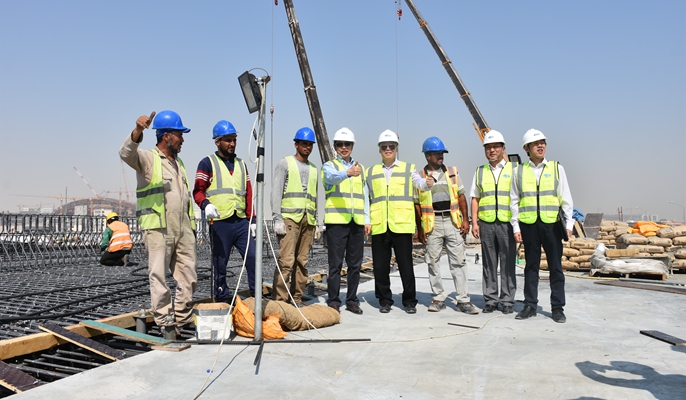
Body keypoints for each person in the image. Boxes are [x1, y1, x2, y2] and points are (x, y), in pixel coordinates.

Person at [119, 110, 197, 328]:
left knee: (188, 274)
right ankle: (164, 319)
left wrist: (191, 227)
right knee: (159, 276)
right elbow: (126, 154)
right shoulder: (148, 159)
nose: (182, 140)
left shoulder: (179, 163)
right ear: (166, 136)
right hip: (158, 227)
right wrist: (137, 131)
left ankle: (183, 316)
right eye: (179, 135)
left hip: (183, 227)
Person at [510, 129, 573, 323]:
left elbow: (566, 198)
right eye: (536, 143)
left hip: (551, 225)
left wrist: (569, 223)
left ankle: (557, 308)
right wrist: (516, 227)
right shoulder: (518, 171)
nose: (540, 146)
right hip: (529, 225)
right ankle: (530, 305)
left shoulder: (556, 168)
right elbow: (514, 201)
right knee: (531, 267)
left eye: (543, 142)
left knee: (556, 267)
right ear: (526, 148)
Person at [367, 130, 433, 314]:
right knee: (380, 267)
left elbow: (419, 183)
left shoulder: (408, 168)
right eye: (384, 146)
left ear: (396, 148)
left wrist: (427, 183)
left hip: (402, 225)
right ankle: (384, 300)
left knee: (406, 266)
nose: (388, 149)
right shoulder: (370, 171)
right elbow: (366, 197)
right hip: (380, 224)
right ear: (379, 149)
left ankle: (409, 301)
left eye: (391, 146)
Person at [193, 120, 256, 302]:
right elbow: (198, 191)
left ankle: (256, 295)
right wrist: (205, 204)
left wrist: (252, 219)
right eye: (228, 140)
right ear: (217, 141)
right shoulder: (207, 163)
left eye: (234, 139)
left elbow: (248, 194)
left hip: (241, 221)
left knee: (253, 257)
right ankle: (222, 298)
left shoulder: (241, 164)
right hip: (220, 223)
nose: (232, 144)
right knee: (220, 264)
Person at [415, 137, 476, 314]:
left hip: (452, 221)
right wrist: (420, 229)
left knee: (458, 261)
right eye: (437, 154)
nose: (441, 156)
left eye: (442, 153)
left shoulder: (452, 172)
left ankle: (463, 300)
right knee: (432, 261)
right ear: (428, 156)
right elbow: (417, 204)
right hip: (432, 224)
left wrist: (466, 220)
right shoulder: (419, 177)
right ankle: (438, 298)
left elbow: (461, 197)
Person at [321, 127, 370, 315]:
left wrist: (367, 219)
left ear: (352, 146)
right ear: (335, 146)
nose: (343, 147)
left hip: (356, 223)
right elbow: (331, 179)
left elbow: (364, 195)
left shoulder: (360, 169)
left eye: (347, 144)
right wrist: (347, 173)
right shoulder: (330, 166)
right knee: (335, 265)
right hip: (337, 223)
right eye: (340, 144)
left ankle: (352, 300)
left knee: (355, 265)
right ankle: (334, 300)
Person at [469, 130, 516, 314]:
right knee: (489, 263)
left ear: (503, 149)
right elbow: (475, 198)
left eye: (496, 147)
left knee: (507, 262)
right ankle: (490, 300)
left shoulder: (514, 169)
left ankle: (507, 300)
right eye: (488, 147)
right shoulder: (480, 171)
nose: (492, 150)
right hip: (486, 223)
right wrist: (474, 223)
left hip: (507, 223)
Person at [271, 127, 318, 308]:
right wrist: (277, 218)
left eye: (310, 144)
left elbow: (315, 197)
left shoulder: (313, 169)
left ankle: (296, 298)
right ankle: (280, 302)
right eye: (304, 143)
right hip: (290, 219)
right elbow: (276, 192)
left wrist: (316, 221)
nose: (307, 147)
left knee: (302, 262)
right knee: (286, 262)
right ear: (296, 144)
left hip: (308, 220)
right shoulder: (286, 163)